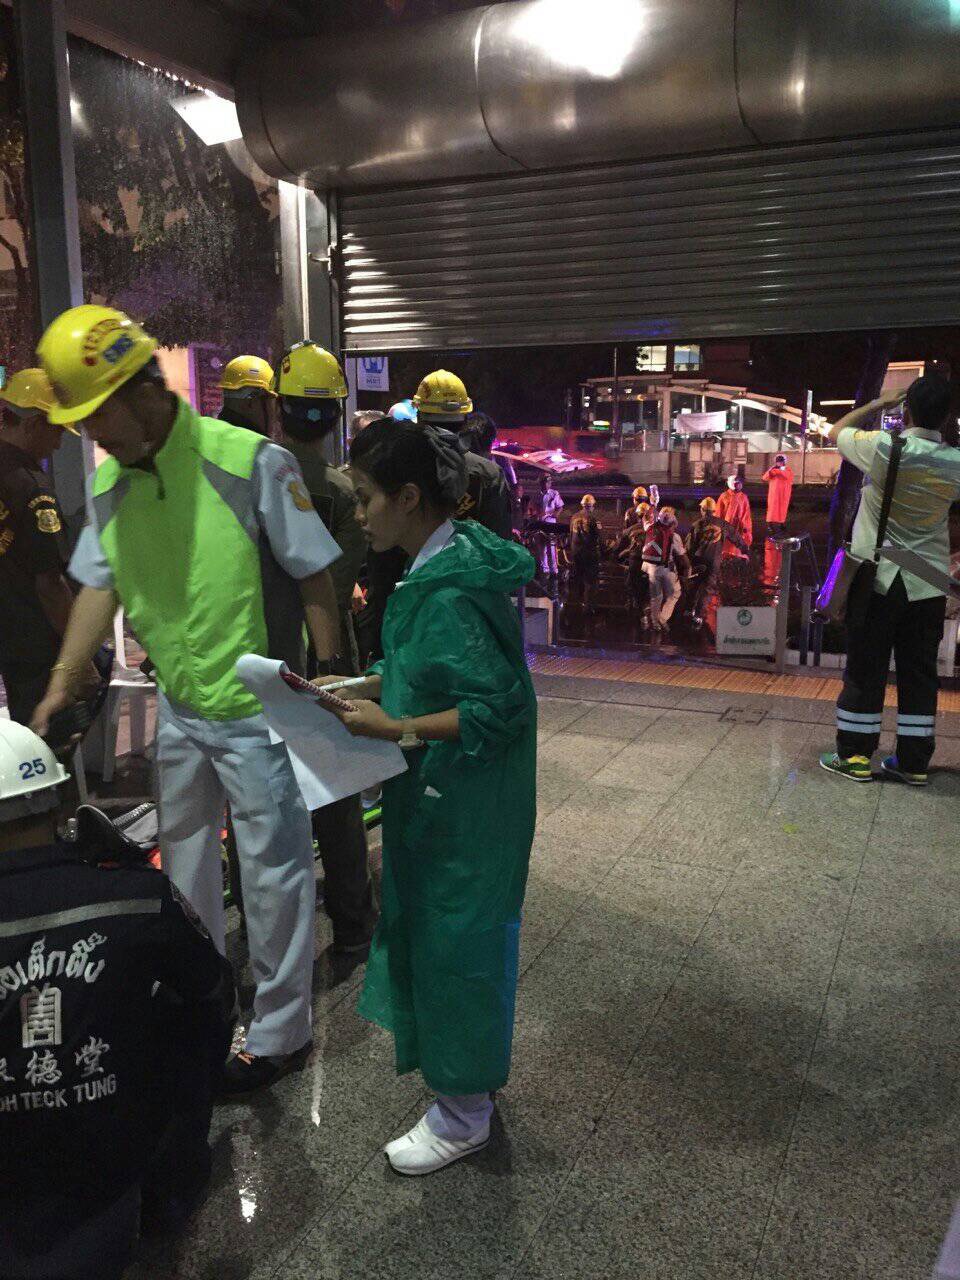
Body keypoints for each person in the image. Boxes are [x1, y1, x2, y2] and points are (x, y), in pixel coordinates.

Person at [30, 305, 343, 1095]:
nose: (91, 436)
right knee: (186, 867)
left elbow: (313, 572)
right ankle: (201, 997)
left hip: (255, 707)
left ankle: (280, 1034)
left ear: (143, 390)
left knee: (274, 873)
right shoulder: (111, 483)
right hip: (178, 705)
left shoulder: (251, 461)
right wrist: (64, 680)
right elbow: (97, 585)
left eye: (96, 416)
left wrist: (332, 675)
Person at [321, 416, 537, 1175]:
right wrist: (362, 685)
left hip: (467, 806)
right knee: (444, 938)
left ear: (409, 497)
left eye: (365, 497)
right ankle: (462, 1090)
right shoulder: (443, 563)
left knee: (458, 947)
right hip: (449, 795)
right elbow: (431, 672)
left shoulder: (447, 590)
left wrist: (396, 725)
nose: (358, 514)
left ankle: (463, 1114)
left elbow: (499, 708)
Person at [0, 719, 234, 1280]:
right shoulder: (136, 894)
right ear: (61, 805)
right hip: (113, 1149)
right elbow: (212, 995)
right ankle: (168, 1189)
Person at [275, 341, 377, 953]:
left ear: (278, 408)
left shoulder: (252, 478)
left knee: (268, 800)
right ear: (336, 415)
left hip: (267, 656)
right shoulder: (343, 491)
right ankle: (353, 927)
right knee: (337, 795)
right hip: (329, 656)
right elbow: (337, 585)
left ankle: (272, 936)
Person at [819, 374, 960, 785]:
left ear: (907, 409)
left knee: (866, 668)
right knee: (920, 674)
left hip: (878, 578)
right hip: (929, 582)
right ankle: (913, 763)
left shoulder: (883, 448)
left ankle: (854, 756)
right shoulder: (955, 462)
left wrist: (879, 404)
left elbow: (836, 431)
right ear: (946, 416)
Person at [0, 369, 87, 725]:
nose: (58, 444)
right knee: (52, 736)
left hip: (8, 635)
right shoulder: (33, 486)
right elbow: (50, 583)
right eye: (57, 431)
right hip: (38, 642)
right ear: (34, 424)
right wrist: (77, 656)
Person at [413, 370, 513, 540]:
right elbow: (500, 542)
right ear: (465, 420)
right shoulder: (489, 474)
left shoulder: (399, 464)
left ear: (418, 416)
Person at [642, 507, 690, 632]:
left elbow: (645, 518)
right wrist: (688, 568)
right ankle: (662, 619)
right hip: (666, 569)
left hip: (650, 569)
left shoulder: (650, 529)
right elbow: (682, 556)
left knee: (656, 597)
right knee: (675, 593)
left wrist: (652, 506)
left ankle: (654, 622)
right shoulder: (674, 536)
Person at [685, 496, 724, 625]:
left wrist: (688, 562)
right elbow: (734, 537)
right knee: (707, 589)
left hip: (699, 561)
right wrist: (745, 550)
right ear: (714, 511)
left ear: (702, 510)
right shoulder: (722, 524)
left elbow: (690, 546)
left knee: (694, 585)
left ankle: (688, 609)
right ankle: (699, 615)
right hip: (714, 562)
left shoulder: (697, 525)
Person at [217, 355, 277, 438]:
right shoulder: (259, 445)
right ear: (252, 401)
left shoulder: (209, 437)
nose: (274, 413)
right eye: (270, 403)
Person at [617, 502, 653, 618]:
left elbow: (621, 546)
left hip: (635, 563)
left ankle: (632, 606)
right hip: (651, 564)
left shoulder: (631, 530)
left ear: (637, 515)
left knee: (631, 585)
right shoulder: (656, 529)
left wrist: (616, 555)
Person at [567, 493, 604, 605]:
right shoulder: (594, 519)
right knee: (591, 580)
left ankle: (577, 603)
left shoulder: (574, 517)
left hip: (576, 552)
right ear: (592, 506)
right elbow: (600, 536)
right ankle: (588, 605)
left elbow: (570, 535)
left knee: (578, 578)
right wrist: (603, 551)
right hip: (590, 553)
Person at [533, 471, 564, 596]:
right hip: (540, 523)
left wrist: (556, 514)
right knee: (541, 548)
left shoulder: (554, 493)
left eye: (548, 482)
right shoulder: (536, 495)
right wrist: (536, 514)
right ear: (541, 483)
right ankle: (544, 571)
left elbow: (560, 506)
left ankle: (554, 572)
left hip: (550, 523)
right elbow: (533, 508)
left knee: (551, 548)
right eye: (545, 482)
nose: (547, 484)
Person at [715, 475, 753, 559]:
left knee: (737, 550)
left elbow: (746, 515)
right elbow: (718, 513)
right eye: (736, 483)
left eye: (739, 483)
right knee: (726, 550)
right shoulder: (724, 496)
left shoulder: (743, 497)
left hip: (738, 528)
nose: (739, 485)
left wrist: (745, 528)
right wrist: (718, 527)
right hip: (726, 528)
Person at [762, 453, 794, 535]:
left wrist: (777, 471)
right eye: (778, 461)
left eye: (781, 461)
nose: (780, 463)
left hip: (784, 494)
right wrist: (772, 471)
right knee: (772, 509)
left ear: (784, 462)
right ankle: (769, 525)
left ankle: (781, 523)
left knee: (782, 509)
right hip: (774, 494)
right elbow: (765, 477)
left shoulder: (787, 469)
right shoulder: (772, 469)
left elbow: (787, 476)